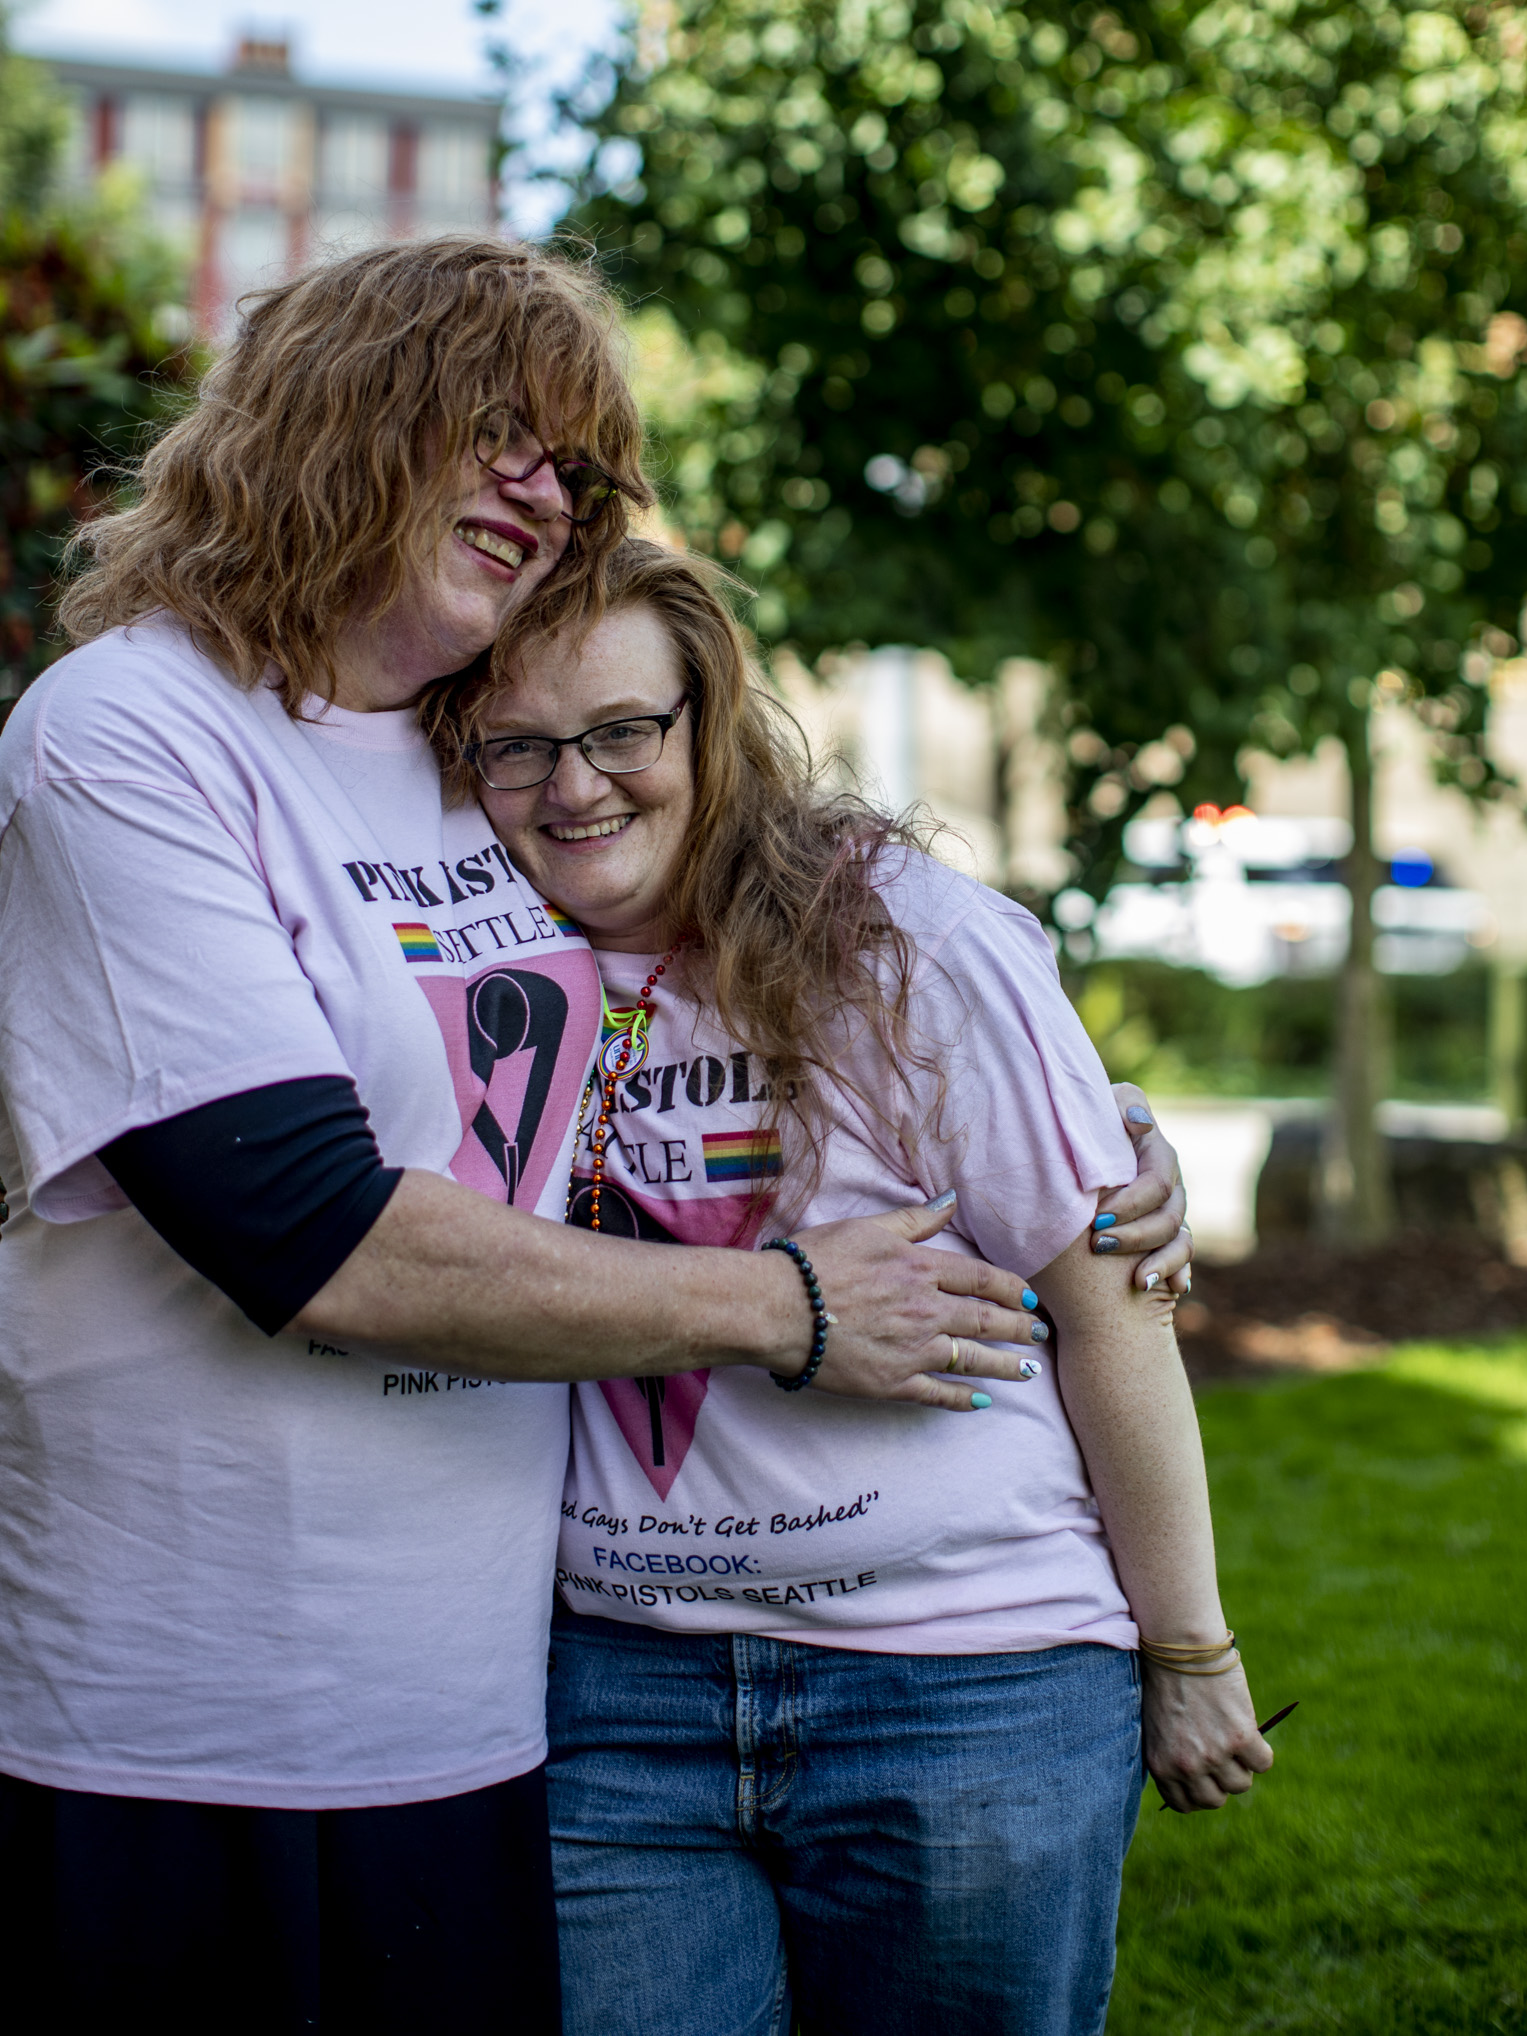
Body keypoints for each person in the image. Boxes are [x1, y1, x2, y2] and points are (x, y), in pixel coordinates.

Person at [0, 237, 1104, 2035]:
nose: (545, 491)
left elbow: (714, 968)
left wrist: (1070, 1120)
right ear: (339, 416)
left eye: (575, 464)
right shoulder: (128, 733)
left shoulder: (470, 746)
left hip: (490, 1696)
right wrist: (789, 1307)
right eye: (499, 432)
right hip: (193, 1712)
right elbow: (312, 1232)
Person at [455, 536, 1268, 2036]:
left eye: (623, 732)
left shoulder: (901, 940)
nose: (574, 787)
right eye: (517, 748)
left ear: (711, 723)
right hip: (617, 1699)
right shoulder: (467, 974)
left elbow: (1108, 1301)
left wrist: (1190, 1647)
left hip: (966, 1683)